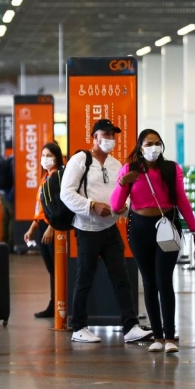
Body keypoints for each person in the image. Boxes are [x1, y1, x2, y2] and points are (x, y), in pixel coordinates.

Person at [111, 129, 195, 354]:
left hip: (168, 226)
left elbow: (182, 200)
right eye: (148, 143)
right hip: (140, 229)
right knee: (149, 282)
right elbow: (116, 206)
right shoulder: (130, 170)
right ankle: (157, 335)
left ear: (161, 146)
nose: (153, 147)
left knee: (164, 281)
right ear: (140, 147)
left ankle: (170, 336)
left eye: (156, 143)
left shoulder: (172, 169)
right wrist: (123, 183)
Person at [59, 119, 152, 344]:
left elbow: (125, 194)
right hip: (87, 229)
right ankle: (78, 327)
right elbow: (66, 194)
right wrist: (92, 205)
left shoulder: (115, 164)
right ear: (95, 137)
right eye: (105, 134)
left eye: (113, 135)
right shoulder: (80, 160)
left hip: (110, 229)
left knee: (121, 277)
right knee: (85, 278)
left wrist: (123, 208)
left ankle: (130, 326)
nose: (110, 139)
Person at [24, 143, 64, 318]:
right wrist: (33, 227)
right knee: (51, 269)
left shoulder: (59, 178)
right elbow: (39, 207)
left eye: (49, 155)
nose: (45, 159)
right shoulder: (45, 177)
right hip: (42, 226)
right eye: (43, 155)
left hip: (52, 227)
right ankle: (54, 303)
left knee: (57, 268)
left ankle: (57, 304)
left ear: (57, 157)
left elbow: (60, 207)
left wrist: (51, 227)